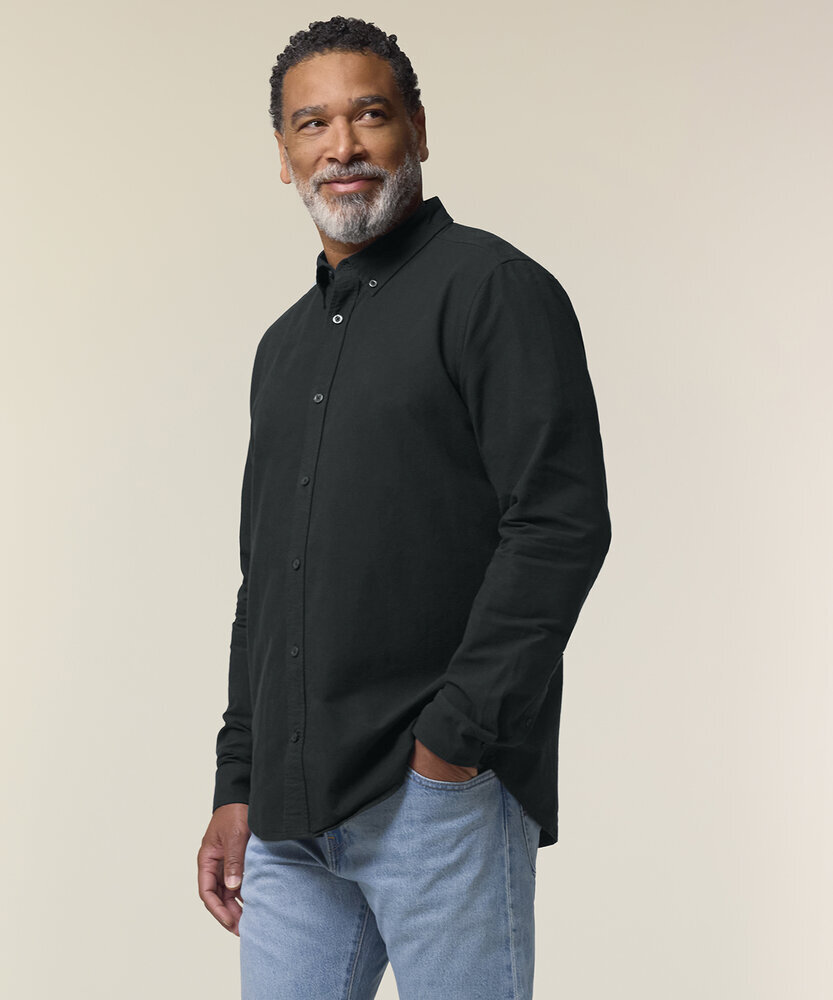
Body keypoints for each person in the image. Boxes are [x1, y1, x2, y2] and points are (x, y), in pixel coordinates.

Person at [197, 15, 611, 1000]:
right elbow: (266, 582)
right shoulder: (281, 347)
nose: (340, 146)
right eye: (311, 124)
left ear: (417, 130)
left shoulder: (493, 291)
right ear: (283, 155)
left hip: (434, 800)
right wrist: (237, 783)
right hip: (289, 821)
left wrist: (453, 744)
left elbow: (558, 524)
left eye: (369, 115)